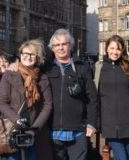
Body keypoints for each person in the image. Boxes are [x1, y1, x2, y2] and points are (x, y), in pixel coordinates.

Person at [46, 28, 98, 160]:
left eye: (64, 44)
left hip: (78, 130)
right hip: (53, 130)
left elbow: (92, 98)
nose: (60, 48)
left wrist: (91, 123)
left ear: (70, 45)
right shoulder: (46, 68)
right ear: (52, 48)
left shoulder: (82, 67)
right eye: (57, 45)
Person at [0, 39, 52, 160]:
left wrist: (34, 128)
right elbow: (2, 102)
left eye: (31, 54)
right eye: (24, 54)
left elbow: (47, 105)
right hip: (12, 129)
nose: (27, 57)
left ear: (37, 57)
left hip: (34, 132)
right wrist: (17, 120)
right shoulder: (9, 74)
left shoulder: (42, 78)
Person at [94, 35, 129, 160]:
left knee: (128, 158)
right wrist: (95, 121)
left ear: (122, 50)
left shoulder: (128, 67)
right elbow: (94, 96)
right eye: (112, 48)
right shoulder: (98, 67)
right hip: (109, 124)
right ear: (107, 49)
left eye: (118, 49)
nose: (115, 52)